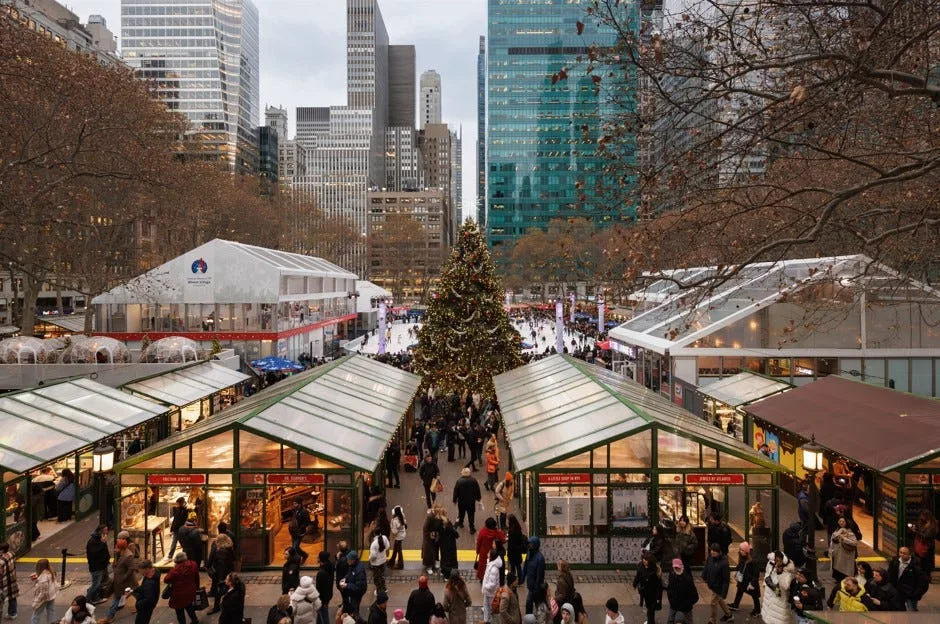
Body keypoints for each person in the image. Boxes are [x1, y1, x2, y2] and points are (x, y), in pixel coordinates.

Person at [99, 538, 138, 624]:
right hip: (119, 581)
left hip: (126, 582)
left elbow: (131, 568)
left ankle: (109, 617)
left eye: (116, 547)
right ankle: (141, 606)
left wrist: (124, 577)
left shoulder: (128, 556)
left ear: (122, 548)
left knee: (117, 599)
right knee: (136, 594)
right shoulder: (119, 554)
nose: (115, 549)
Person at [887, 545, 929, 611]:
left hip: (911, 594)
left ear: (909, 554)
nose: (902, 555)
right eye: (900, 552)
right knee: (898, 610)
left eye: (904, 553)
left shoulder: (916, 565)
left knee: (911, 611)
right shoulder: (895, 561)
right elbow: (890, 574)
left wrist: (916, 594)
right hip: (898, 591)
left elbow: (923, 582)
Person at [164, 552, 200, 624]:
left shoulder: (175, 570)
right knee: (189, 606)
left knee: (179, 612)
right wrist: (197, 587)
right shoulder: (193, 564)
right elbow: (197, 577)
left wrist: (172, 569)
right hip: (191, 591)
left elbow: (166, 580)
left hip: (178, 594)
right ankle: (195, 620)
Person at [206, 534, 237, 614]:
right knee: (229, 589)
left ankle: (217, 607)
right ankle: (228, 605)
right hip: (229, 571)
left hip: (221, 574)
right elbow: (234, 559)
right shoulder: (230, 549)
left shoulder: (220, 552)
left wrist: (221, 578)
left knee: (218, 591)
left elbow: (221, 566)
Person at [702, 543, 732, 623]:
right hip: (712, 584)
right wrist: (704, 576)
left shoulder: (724, 563)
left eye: (714, 551)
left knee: (713, 602)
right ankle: (729, 614)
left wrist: (724, 592)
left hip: (719, 586)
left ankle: (712, 620)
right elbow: (706, 567)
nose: (712, 552)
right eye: (711, 550)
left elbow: (726, 579)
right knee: (719, 599)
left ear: (718, 552)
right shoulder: (710, 558)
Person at [761, 552, 795, 624]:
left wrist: (780, 574)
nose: (778, 563)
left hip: (779, 600)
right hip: (769, 596)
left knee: (777, 620)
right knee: (768, 617)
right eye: (776, 560)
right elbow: (767, 573)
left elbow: (785, 587)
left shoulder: (787, 571)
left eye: (780, 561)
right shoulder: (770, 564)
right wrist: (765, 583)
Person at [729, 541, 760, 617]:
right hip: (743, 579)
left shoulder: (753, 560)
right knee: (739, 589)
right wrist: (736, 571)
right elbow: (740, 564)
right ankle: (735, 604)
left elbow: (756, 574)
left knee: (754, 595)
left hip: (750, 581)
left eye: (742, 550)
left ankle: (757, 610)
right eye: (740, 550)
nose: (740, 552)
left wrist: (752, 583)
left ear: (746, 551)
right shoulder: (743, 556)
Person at [665, 558, 698, 624]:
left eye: (678, 567)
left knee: (688, 621)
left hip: (686, 608)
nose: (677, 569)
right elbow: (670, 591)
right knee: (670, 621)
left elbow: (695, 596)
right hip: (674, 606)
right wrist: (671, 601)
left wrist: (687, 604)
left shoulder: (688, 579)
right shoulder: (672, 577)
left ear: (682, 567)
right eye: (675, 568)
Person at [634, 552, 663, 624]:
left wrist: (658, 598)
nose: (644, 560)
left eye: (646, 559)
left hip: (652, 595)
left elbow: (659, 586)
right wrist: (635, 584)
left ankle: (650, 622)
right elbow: (638, 576)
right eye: (643, 558)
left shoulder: (654, 572)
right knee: (647, 609)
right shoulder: (641, 566)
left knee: (650, 611)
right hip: (644, 593)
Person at [519, 536, 545, 616]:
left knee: (534, 604)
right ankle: (531, 618)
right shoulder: (529, 554)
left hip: (536, 587)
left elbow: (539, 575)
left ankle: (534, 618)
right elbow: (525, 567)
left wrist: (536, 588)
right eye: (529, 544)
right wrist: (522, 579)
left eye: (531, 544)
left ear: (535, 545)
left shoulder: (540, 558)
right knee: (534, 604)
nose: (529, 546)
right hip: (531, 585)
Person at [85, 525, 110, 605]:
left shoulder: (99, 539)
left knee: (97, 583)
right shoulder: (93, 541)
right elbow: (95, 553)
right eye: (106, 530)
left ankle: (96, 598)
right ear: (101, 531)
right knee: (96, 584)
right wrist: (103, 543)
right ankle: (87, 600)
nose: (107, 531)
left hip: (100, 565)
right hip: (96, 567)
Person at [453, 468, 482, 533]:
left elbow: (456, 492)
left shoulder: (459, 481)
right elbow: (477, 490)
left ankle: (461, 523)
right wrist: (478, 498)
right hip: (471, 502)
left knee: (461, 513)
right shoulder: (474, 480)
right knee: (471, 514)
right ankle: (471, 528)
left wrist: (454, 500)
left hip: (461, 502)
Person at [911, 509, 938, 574]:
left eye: (922, 516)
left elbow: (927, 536)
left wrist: (916, 531)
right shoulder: (923, 522)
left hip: (927, 546)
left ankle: (926, 576)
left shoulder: (932, 525)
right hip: (922, 544)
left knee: (926, 561)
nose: (921, 517)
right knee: (921, 560)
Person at [30, 559, 56, 624]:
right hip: (52, 596)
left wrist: (36, 603)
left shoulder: (43, 579)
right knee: (51, 611)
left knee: (36, 615)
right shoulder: (51, 572)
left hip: (44, 598)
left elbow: (43, 593)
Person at [341, 551, 367, 617]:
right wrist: (345, 579)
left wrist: (347, 585)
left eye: (348, 560)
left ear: (353, 560)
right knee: (353, 606)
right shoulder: (352, 565)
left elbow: (359, 587)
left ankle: (356, 619)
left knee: (354, 608)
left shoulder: (359, 570)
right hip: (353, 591)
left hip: (357, 592)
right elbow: (349, 573)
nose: (347, 561)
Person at [482, 551, 503, 624]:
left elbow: (492, 584)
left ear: (491, 556)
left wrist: (485, 586)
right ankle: (486, 621)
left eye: (489, 553)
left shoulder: (494, 569)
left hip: (491, 593)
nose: (487, 553)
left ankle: (490, 621)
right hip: (488, 592)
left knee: (492, 609)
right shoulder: (490, 564)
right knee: (486, 607)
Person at [422, 507, 443, 576]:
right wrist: (431, 534)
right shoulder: (430, 517)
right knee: (429, 552)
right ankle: (429, 566)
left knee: (434, 551)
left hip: (434, 537)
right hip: (429, 538)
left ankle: (433, 564)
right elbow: (425, 528)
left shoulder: (435, 517)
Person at [506, 515, 527, 582]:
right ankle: (521, 579)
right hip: (517, 551)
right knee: (518, 566)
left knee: (512, 567)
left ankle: (513, 579)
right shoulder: (518, 528)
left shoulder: (511, 531)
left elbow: (511, 544)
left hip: (512, 552)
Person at [316, 552, 335, 624]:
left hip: (323, 598)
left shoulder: (321, 573)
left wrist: (321, 599)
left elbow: (320, 587)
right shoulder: (329, 566)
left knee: (324, 614)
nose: (317, 558)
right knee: (320, 613)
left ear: (321, 559)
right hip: (328, 594)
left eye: (318, 557)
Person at [0, 542, 17, 620]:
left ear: (2, 550)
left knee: (1, 599)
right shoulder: (11, 554)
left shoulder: (1, 561)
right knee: (12, 596)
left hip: (3, 582)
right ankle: (13, 613)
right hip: (12, 578)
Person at [389, 506, 408, 570]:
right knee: (395, 548)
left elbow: (394, 532)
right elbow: (405, 525)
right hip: (402, 534)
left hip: (398, 537)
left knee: (399, 551)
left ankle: (400, 564)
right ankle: (392, 561)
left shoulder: (394, 521)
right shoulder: (402, 516)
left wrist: (391, 526)